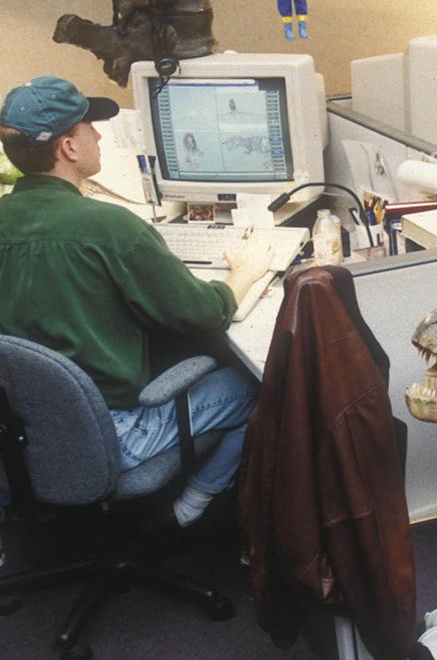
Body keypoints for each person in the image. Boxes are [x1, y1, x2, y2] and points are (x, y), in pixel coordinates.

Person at [0, 77, 274, 528]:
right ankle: (193, 506)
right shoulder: (108, 227)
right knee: (259, 385)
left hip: (22, 434)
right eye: (90, 127)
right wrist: (244, 270)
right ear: (69, 147)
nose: (99, 135)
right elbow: (204, 312)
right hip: (114, 436)